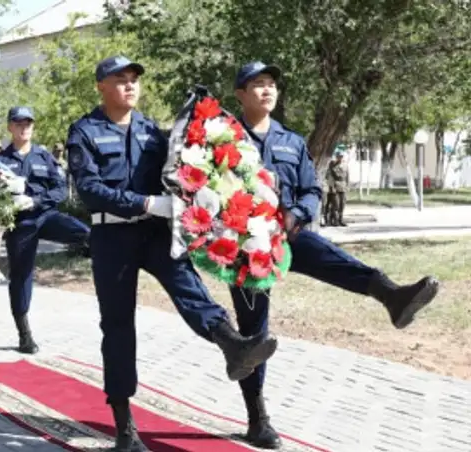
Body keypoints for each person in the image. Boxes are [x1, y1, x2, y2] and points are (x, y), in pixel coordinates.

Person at [65, 56, 278, 451]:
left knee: (189, 288)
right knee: (117, 326)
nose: (130, 86)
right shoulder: (85, 131)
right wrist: (147, 203)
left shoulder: (152, 130)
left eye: (134, 80)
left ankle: (232, 343)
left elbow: (180, 170)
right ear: (101, 86)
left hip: (155, 233)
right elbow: (89, 189)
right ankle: (124, 424)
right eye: (120, 80)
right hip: (112, 238)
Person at [231, 61, 440, 449]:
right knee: (253, 335)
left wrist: (297, 214)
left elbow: (311, 190)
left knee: (326, 253)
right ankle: (257, 418)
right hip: (245, 247)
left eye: (272, 84)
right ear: (240, 94)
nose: (267, 90)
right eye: (257, 84)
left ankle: (391, 295)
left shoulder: (291, 141)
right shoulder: (224, 140)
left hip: (287, 233)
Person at [0, 106, 90, 353]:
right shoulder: (0, 162)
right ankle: (24, 333)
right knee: (21, 276)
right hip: (20, 225)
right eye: (18, 123)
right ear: (10, 127)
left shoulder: (44, 156)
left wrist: (36, 201)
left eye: (28, 123)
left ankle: (100, 256)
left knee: (87, 233)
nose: (24, 127)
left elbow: (59, 189)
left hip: (45, 215)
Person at [326, 150, 348, 226]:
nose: (340, 158)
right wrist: (331, 187)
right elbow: (330, 177)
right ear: (336, 157)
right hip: (335, 186)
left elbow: (347, 176)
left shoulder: (345, 165)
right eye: (339, 156)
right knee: (336, 205)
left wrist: (347, 186)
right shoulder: (332, 165)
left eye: (341, 156)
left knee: (342, 204)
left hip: (343, 187)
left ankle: (341, 220)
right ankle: (334, 220)